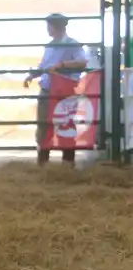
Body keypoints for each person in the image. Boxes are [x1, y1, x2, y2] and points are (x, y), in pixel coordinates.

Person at [23, 13, 89, 166]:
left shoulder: (72, 44)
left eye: (49, 26)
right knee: (44, 125)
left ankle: (67, 162)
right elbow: (45, 66)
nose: (48, 29)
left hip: (63, 92)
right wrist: (33, 75)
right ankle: (44, 162)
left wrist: (62, 64)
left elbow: (82, 62)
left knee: (64, 124)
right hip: (48, 90)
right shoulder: (50, 45)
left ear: (55, 27)